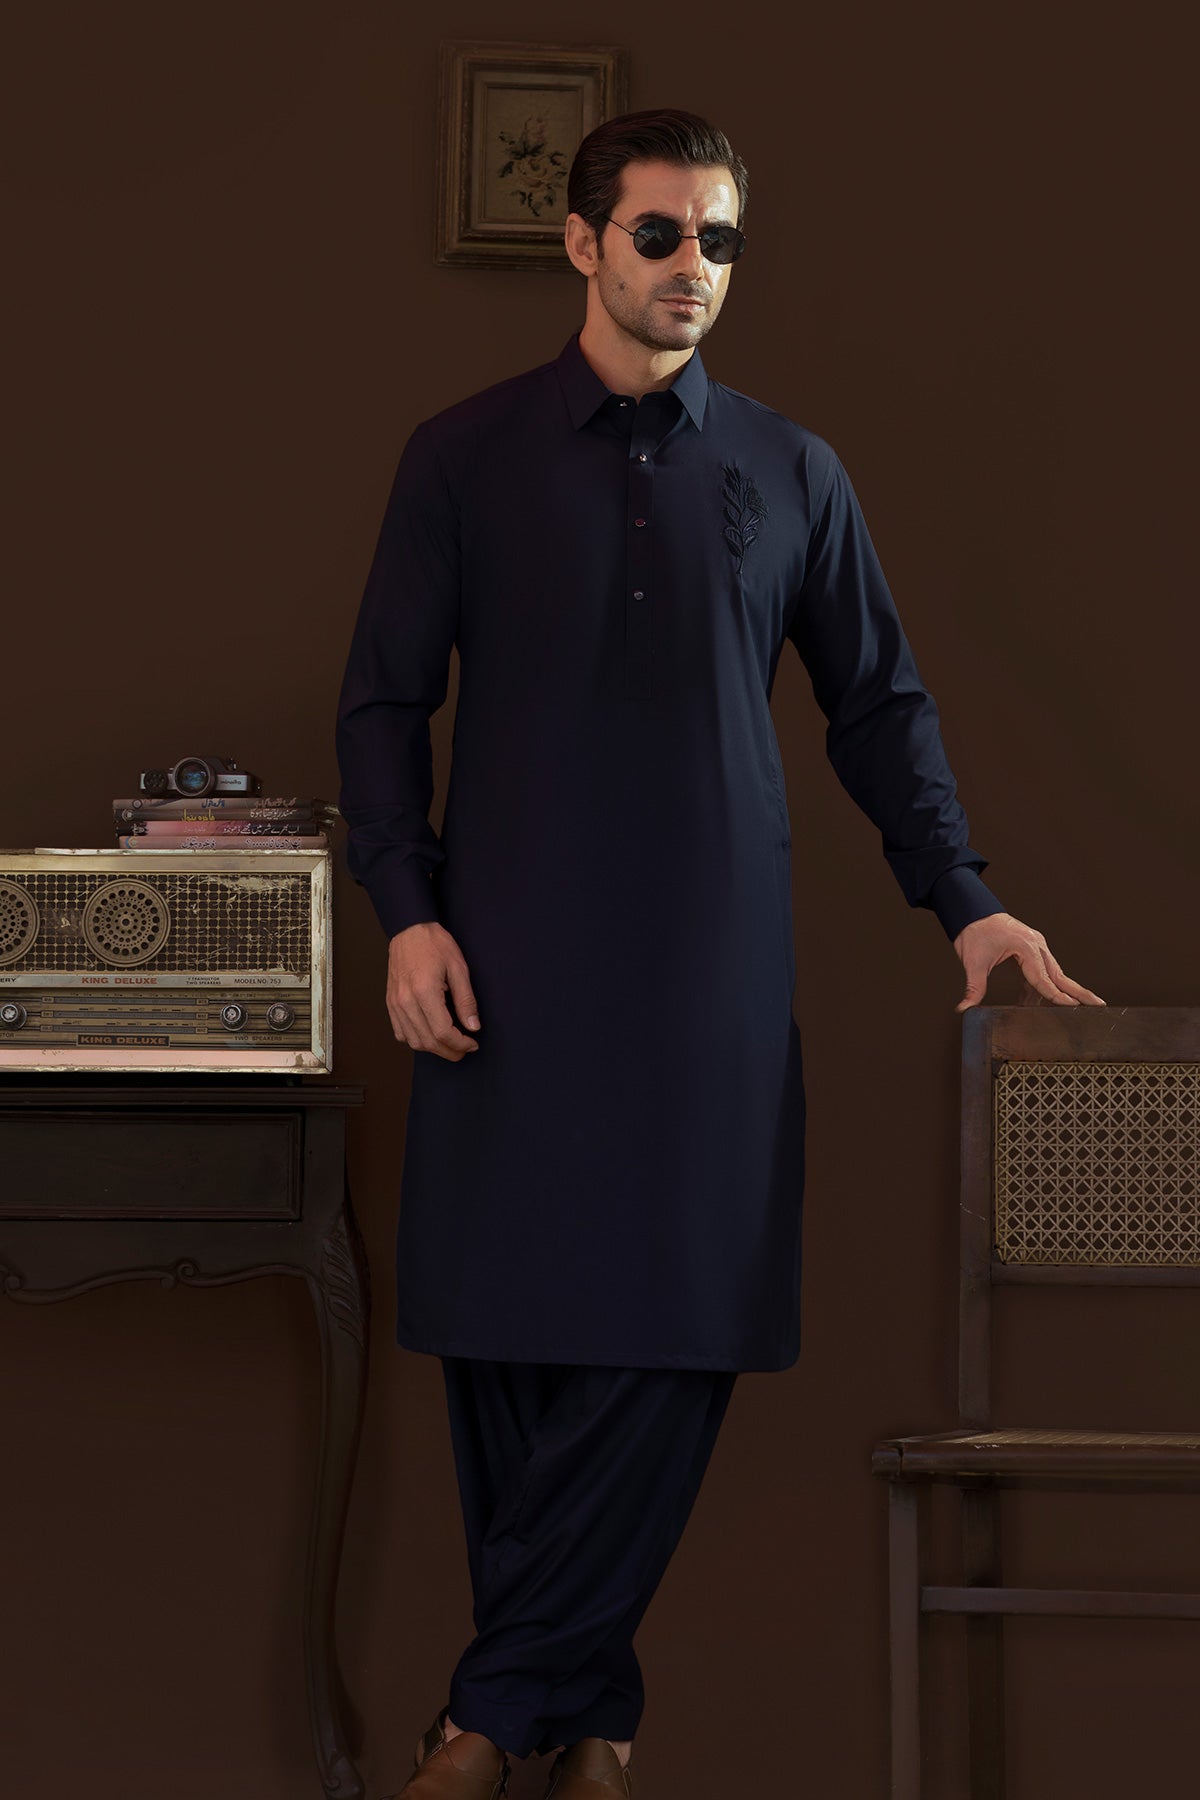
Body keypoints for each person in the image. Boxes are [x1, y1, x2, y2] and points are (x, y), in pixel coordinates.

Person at [334, 107, 1104, 1800]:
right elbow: (383, 706)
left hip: (711, 973)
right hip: (501, 960)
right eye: (664, 232)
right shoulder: (461, 457)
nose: (697, 266)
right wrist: (409, 914)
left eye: (723, 239)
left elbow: (878, 706)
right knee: (509, 1331)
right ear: (583, 244)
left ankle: (490, 1718)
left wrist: (964, 895)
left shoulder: (792, 469)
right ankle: (584, 1722)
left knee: (678, 1320)